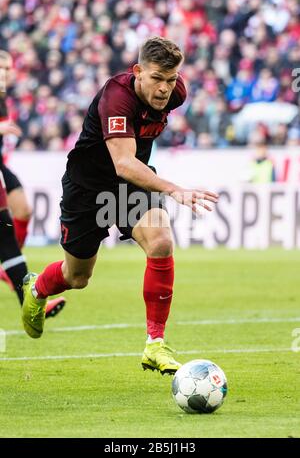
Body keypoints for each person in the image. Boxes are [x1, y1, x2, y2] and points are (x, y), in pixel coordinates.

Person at [21, 37, 218, 374]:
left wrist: (162, 189)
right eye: (156, 78)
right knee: (77, 277)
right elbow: (123, 162)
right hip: (87, 189)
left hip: (130, 187)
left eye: (170, 80)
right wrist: (174, 189)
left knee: (160, 241)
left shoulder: (176, 92)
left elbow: (129, 172)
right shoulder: (117, 97)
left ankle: (155, 343)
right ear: (138, 71)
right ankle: (37, 288)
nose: (163, 89)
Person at [0, 49, 66, 317]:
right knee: (7, 240)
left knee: (14, 228)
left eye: (7, 68)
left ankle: (26, 296)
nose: (5, 73)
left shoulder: (4, 98)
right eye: (1, 68)